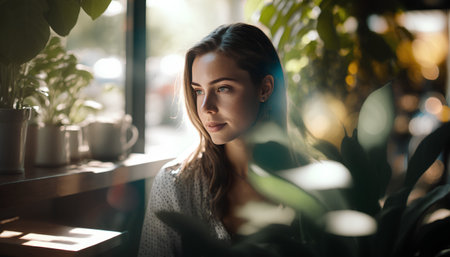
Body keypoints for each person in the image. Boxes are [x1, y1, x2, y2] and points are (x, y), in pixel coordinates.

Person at [138, 22, 289, 257]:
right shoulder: (176, 184)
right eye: (199, 91)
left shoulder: (311, 178)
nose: (206, 107)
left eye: (223, 88)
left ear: (265, 88)